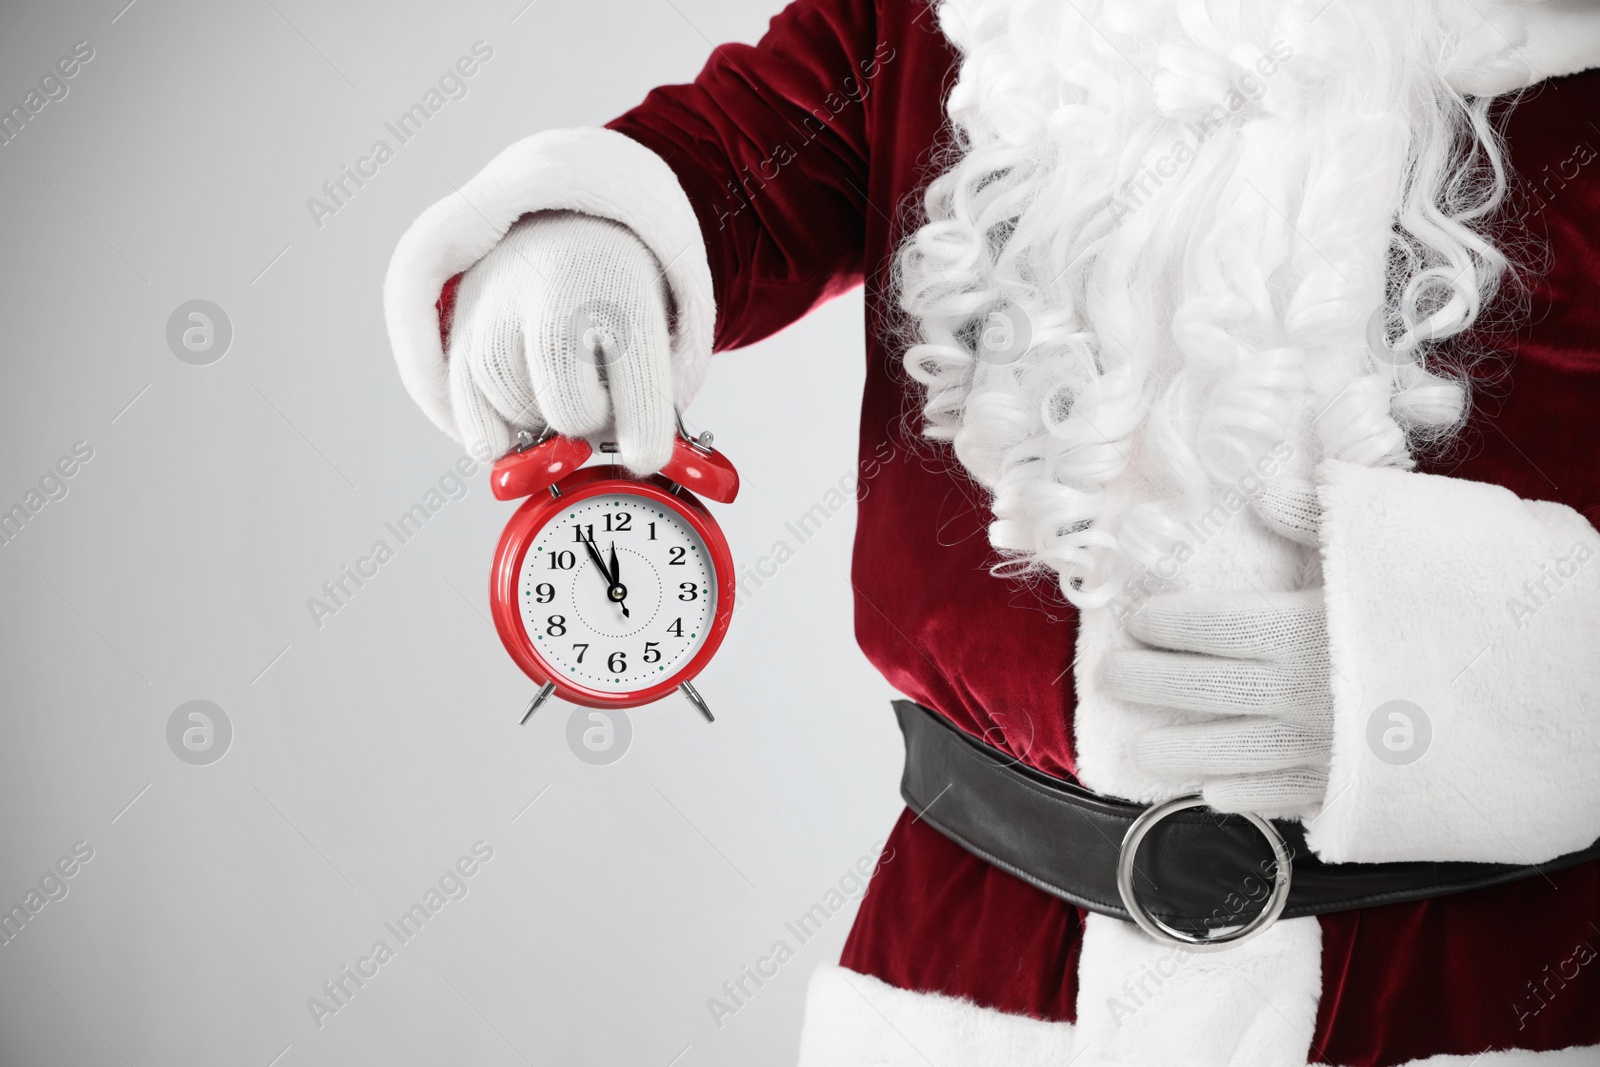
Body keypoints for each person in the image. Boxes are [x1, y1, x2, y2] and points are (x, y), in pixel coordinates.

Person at [384, 0, 1600, 1062]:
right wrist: (579, 240)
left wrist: (1482, 673)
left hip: (1474, 994)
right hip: (969, 982)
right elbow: (722, 166)